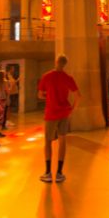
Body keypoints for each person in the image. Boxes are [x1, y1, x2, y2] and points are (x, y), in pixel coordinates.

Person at [38, 54, 80, 183]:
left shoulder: (46, 76)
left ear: (56, 61)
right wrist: (72, 109)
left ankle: (48, 172)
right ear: (65, 64)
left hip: (51, 113)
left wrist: (48, 96)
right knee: (62, 141)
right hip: (64, 113)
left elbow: (40, 95)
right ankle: (60, 173)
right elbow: (78, 95)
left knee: (48, 141)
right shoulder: (68, 78)